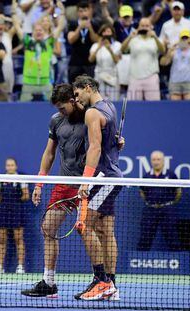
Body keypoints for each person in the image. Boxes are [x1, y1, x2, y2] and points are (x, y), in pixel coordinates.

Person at [20, 84, 88, 297]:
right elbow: (49, 153)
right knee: (48, 228)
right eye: (57, 108)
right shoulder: (56, 121)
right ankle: (49, 283)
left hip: (88, 183)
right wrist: (39, 183)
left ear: (73, 100)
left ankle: (105, 281)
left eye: (63, 108)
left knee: (95, 232)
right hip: (64, 183)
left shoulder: (90, 117)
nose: (60, 112)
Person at [74, 75, 123, 301]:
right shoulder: (110, 107)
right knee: (105, 231)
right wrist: (118, 143)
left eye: (77, 94)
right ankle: (111, 284)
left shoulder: (92, 112)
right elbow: (113, 143)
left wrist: (85, 181)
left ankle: (101, 281)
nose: (77, 99)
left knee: (84, 225)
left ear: (87, 88)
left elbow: (94, 148)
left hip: (103, 177)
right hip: (112, 175)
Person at [0, 157, 30, 274]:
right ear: (5, 167)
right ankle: (0, 266)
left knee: (19, 239)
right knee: (1, 239)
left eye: (12, 165)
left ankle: (20, 267)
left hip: (17, 212)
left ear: (16, 166)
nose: (10, 167)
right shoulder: (1, 179)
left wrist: (15, 200)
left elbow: (26, 196)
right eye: (8, 165)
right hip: (3, 211)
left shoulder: (20, 179)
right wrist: (4, 201)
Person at [138, 150, 182, 251]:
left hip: (167, 210)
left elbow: (178, 192)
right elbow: (142, 192)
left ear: (163, 161)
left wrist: (168, 204)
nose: (156, 162)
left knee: (172, 237)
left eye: (158, 159)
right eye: (154, 159)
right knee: (145, 238)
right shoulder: (146, 176)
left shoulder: (171, 175)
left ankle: (178, 261)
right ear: (151, 161)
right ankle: (139, 261)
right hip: (150, 210)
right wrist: (152, 203)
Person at [14, 17, 60, 101]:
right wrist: (13, 13)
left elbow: (60, 28)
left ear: (44, 32)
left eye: (40, 30)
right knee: (23, 108)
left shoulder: (49, 43)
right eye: (36, 30)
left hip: (45, 82)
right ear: (32, 33)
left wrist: (62, 13)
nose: (38, 32)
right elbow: (17, 28)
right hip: (29, 83)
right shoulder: (28, 42)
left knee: (52, 107)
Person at [121, 18, 165, 101]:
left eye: (147, 26)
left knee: (154, 106)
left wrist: (155, 37)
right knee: (133, 106)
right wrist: (130, 36)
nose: (144, 28)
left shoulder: (155, 39)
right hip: (135, 77)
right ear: (138, 27)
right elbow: (122, 49)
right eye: (142, 26)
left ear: (151, 27)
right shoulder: (133, 39)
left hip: (151, 76)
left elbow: (163, 51)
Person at [160, 28, 190, 100]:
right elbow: (163, 63)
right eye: (183, 38)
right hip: (175, 82)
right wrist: (169, 51)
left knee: (189, 106)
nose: (185, 40)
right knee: (175, 106)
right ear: (180, 39)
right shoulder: (174, 51)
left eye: (186, 38)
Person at [102, 5, 136, 96]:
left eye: (128, 16)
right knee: (120, 82)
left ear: (132, 16)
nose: (126, 19)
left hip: (133, 56)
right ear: (120, 17)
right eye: (124, 17)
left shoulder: (136, 26)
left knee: (132, 82)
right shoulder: (117, 25)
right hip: (120, 57)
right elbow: (107, 17)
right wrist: (104, 6)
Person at [67, 1, 99, 83]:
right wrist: (79, 28)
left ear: (89, 11)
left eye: (85, 10)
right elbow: (71, 40)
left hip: (90, 63)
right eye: (81, 11)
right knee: (73, 88)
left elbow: (96, 40)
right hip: (75, 62)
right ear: (77, 13)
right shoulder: (73, 25)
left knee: (90, 89)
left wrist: (90, 28)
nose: (83, 13)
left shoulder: (95, 24)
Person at [89, 24, 121, 101]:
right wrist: (98, 47)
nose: (106, 34)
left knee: (113, 100)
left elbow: (117, 60)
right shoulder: (95, 45)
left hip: (112, 76)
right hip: (99, 76)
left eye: (108, 31)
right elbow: (90, 59)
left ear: (112, 34)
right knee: (99, 101)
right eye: (104, 32)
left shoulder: (117, 45)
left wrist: (109, 49)